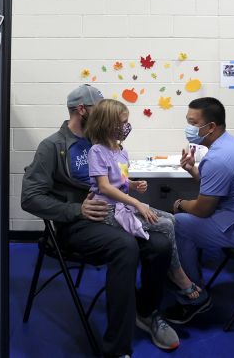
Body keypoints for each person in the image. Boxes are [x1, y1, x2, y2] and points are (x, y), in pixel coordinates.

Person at [21, 85, 179, 358]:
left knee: (161, 244)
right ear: (82, 110)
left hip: (115, 214)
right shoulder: (53, 146)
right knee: (125, 246)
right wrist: (74, 210)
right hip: (77, 224)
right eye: (99, 106)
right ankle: (117, 349)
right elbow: (30, 197)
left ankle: (146, 312)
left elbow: (115, 180)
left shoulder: (104, 141)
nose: (107, 112)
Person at [162, 97, 234, 325]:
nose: (189, 127)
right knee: (185, 218)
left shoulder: (218, 158)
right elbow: (218, 188)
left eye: (193, 122)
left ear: (211, 126)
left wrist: (178, 204)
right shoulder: (230, 145)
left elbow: (203, 210)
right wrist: (193, 170)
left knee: (180, 224)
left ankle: (195, 298)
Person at [83, 98, 203, 301]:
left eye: (127, 122)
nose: (126, 127)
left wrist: (133, 185)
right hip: (107, 210)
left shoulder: (121, 151)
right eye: (122, 123)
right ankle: (176, 274)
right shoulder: (97, 151)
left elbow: (120, 182)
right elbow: (104, 186)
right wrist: (137, 202)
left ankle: (170, 269)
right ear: (107, 124)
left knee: (172, 220)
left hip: (123, 205)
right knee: (164, 225)